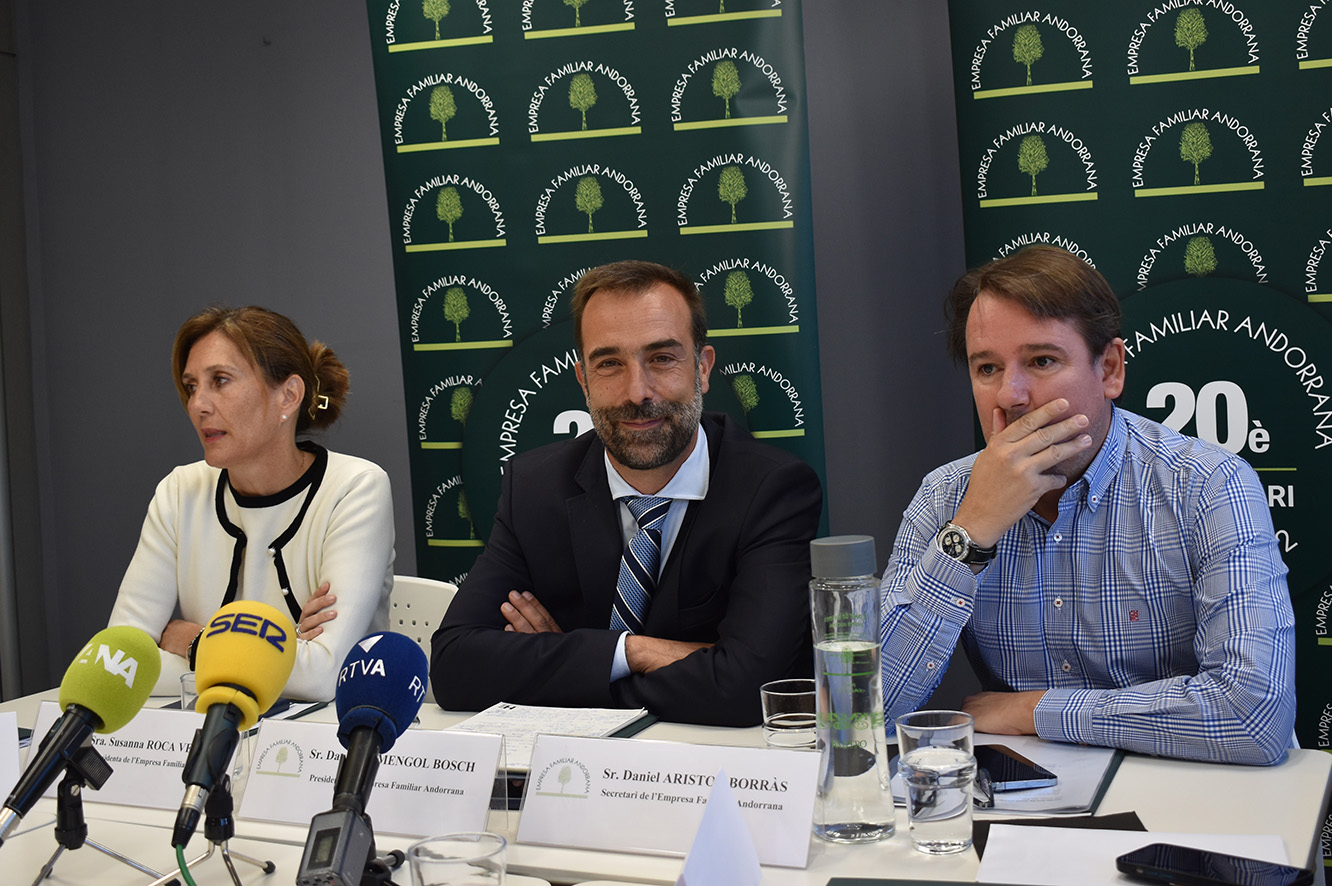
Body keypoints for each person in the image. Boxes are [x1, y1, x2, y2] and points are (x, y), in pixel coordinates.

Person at [879, 245, 1296, 765]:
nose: (1010, 395)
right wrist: (973, 530)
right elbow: (864, 715)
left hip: (1195, 789)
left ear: (1110, 370)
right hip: (1035, 799)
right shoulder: (946, 497)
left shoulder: (1207, 485)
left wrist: (1034, 710)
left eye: (1042, 361)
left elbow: (1254, 715)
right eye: (987, 368)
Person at [431, 260, 822, 726]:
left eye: (661, 358)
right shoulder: (533, 486)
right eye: (610, 364)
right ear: (583, 381)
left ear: (702, 369)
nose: (636, 392)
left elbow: (748, 687)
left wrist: (561, 662)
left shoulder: (773, 490)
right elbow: (454, 667)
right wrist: (630, 652)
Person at [109, 306, 395, 700]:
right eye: (192, 386)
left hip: (328, 734)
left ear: (288, 396)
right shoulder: (180, 490)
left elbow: (322, 676)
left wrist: (194, 643)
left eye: (220, 381)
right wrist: (283, 653)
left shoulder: (355, 488)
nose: (198, 405)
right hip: (206, 727)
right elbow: (121, 665)